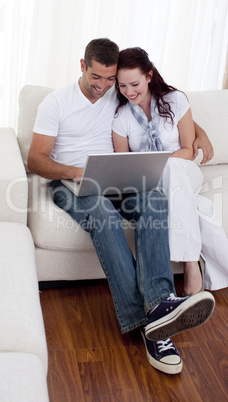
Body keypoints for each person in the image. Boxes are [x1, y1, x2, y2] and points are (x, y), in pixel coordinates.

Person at [28, 38, 215, 375]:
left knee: (155, 201)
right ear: (82, 66)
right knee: (101, 213)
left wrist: (199, 131)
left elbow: (163, 98)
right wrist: (75, 172)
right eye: (96, 77)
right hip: (68, 182)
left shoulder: (117, 89)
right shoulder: (55, 103)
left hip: (113, 178)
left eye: (109, 79)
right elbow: (36, 159)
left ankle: (160, 304)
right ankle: (149, 322)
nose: (103, 86)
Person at [112, 46, 228, 295]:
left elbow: (188, 149)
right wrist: (149, 172)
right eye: (122, 86)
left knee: (174, 168)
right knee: (199, 208)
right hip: (147, 182)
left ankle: (189, 263)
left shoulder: (175, 100)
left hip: (184, 172)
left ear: (149, 76)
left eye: (135, 84)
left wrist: (159, 164)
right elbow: (124, 165)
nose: (129, 92)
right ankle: (198, 264)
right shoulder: (121, 117)